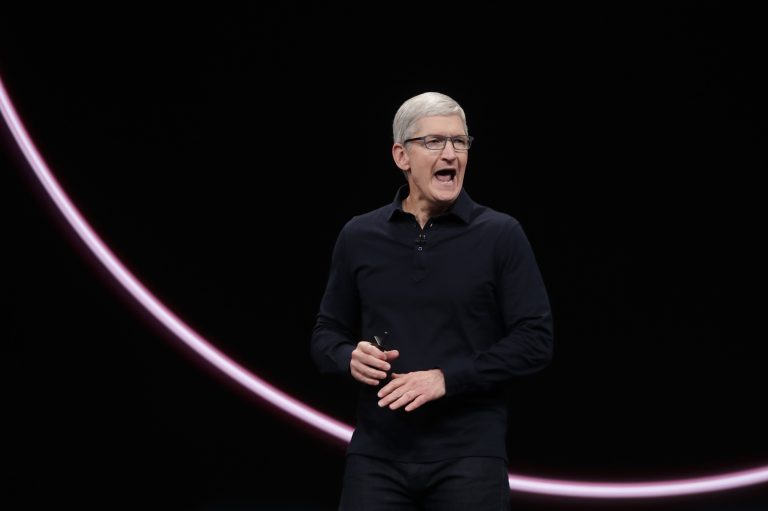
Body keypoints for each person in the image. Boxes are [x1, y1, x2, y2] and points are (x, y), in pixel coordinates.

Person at [310, 91, 554, 510]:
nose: (451, 153)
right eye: (435, 142)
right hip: (377, 457)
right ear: (401, 155)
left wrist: (447, 378)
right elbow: (325, 332)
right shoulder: (359, 235)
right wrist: (347, 356)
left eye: (460, 142)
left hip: (469, 457)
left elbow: (535, 340)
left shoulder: (500, 234)